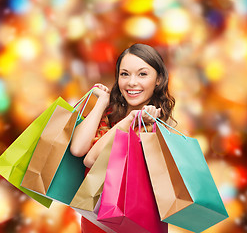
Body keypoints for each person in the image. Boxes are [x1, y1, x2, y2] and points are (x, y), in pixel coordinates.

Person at [70, 43, 175, 233]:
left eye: (142, 74)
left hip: (133, 223)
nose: (131, 82)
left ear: (158, 79)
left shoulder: (157, 128)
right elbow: (78, 149)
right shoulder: (110, 113)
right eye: (124, 74)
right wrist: (102, 103)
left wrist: (131, 120)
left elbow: (92, 159)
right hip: (96, 220)